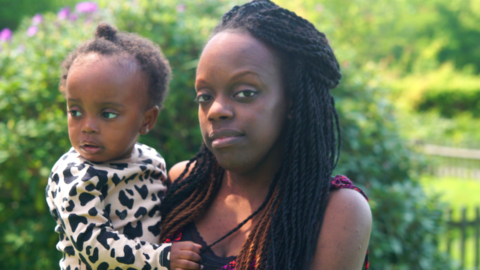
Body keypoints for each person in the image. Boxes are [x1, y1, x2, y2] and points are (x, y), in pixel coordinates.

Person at [159, 0, 372, 269]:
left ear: (293, 102)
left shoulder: (336, 211)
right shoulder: (182, 184)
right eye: (205, 96)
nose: (216, 110)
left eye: (245, 93)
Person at [45, 23, 202, 270]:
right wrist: (162, 258)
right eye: (75, 111)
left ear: (146, 120)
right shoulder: (74, 176)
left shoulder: (151, 160)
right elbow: (95, 247)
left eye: (106, 114)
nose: (87, 126)